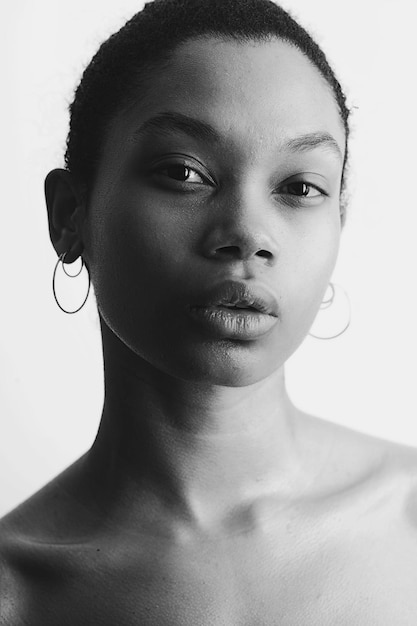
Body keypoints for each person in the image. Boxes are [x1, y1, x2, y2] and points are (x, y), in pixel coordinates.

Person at [1, 0, 417, 622]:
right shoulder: (18, 595)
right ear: (70, 215)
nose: (248, 233)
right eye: (184, 172)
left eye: (300, 188)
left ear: (339, 220)